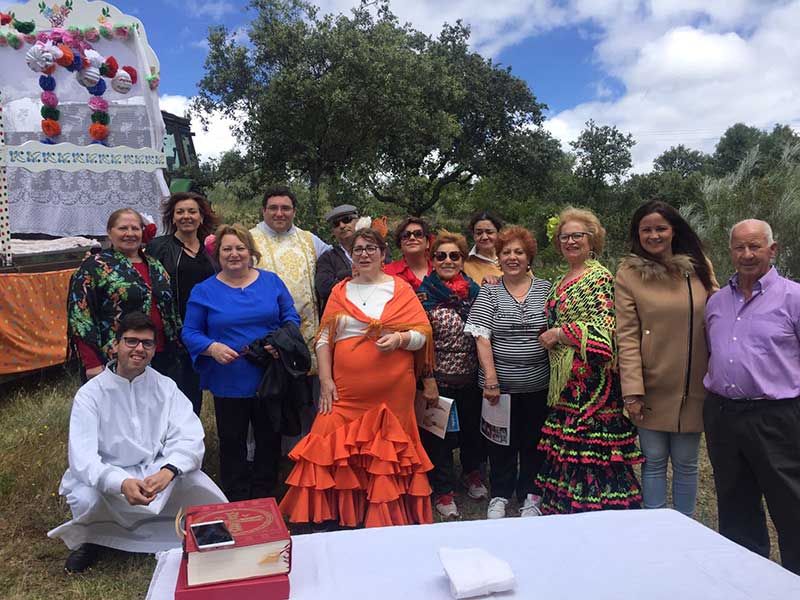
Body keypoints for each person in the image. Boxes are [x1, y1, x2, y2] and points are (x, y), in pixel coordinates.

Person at [279, 228, 435, 529]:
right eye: (358, 249)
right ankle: (337, 515)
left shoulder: (400, 289)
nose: (364, 253)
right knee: (327, 440)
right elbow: (324, 339)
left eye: (370, 248)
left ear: (383, 253)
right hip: (346, 393)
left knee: (388, 452)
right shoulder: (340, 291)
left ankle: (388, 512)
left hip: (393, 391)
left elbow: (422, 335)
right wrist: (325, 381)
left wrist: (400, 339)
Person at [48, 312, 227, 573]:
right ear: (116, 345)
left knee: (199, 486)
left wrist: (169, 470)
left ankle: (190, 533)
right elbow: (83, 458)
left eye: (147, 343)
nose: (139, 349)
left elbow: (189, 435)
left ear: (154, 349)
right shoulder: (90, 395)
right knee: (86, 497)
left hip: (155, 470)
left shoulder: (165, 387)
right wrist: (119, 483)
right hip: (109, 473)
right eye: (131, 341)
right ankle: (91, 542)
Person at [703, 219, 800, 575]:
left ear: (772, 250)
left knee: (791, 505)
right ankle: (746, 583)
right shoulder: (716, 301)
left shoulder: (794, 297)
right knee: (735, 506)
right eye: (739, 247)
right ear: (730, 251)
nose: (746, 255)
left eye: (755, 246)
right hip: (723, 416)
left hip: (776, 417)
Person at [182, 224, 301, 502]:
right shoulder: (204, 291)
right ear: (217, 254)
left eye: (240, 248)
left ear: (250, 252)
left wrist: (280, 342)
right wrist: (212, 348)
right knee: (232, 440)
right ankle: (235, 494)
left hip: (268, 375)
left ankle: (264, 493)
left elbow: (291, 318)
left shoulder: (272, 282)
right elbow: (190, 332)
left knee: (269, 438)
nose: (234, 254)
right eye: (227, 249)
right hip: (229, 378)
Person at [536, 207, 643, 514]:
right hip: (567, 381)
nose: (570, 241)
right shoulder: (561, 279)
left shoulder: (599, 278)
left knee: (591, 450)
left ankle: (596, 514)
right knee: (569, 449)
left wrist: (559, 333)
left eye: (577, 236)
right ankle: (566, 510)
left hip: (593, 384)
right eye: (565, 236)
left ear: (592, 239)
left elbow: (606, 332)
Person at [615, 201, 718, 517]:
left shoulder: (700, 267)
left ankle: (686, 527)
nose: (654, 235)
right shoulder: (629, 274)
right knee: (654, 461)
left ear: (674, 230)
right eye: (646, 229)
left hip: (694, 384)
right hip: (651, 384)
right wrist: (632, 389)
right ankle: (655, 528)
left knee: (687, 463)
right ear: (638, 234)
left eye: (660, 228)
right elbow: (627, 336)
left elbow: (718, 316)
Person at [464, 226, 551, 519]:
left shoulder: (547, 289)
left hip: (539, 385)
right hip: (498, 386)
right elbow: (481, 334)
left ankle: (530, 495)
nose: (512, 257)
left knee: (533, 442)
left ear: (529, 257)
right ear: (498, 257)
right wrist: (491, 378)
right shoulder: (489, 290)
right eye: (506, 252)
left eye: (519, 252)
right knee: (499, 442)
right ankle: (500, 494)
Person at [417, 230, 487, 519]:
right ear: (432, 260)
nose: (448, 260)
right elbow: (420, 341)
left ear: (462, 260)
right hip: (440, 379)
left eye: (454, 255)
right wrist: (427, 379)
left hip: (472, 377)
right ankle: (443, 490)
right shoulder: (423, 294)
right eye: (441, 255)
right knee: (440, 438)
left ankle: (472, 474)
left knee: (473, 433)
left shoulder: (475, 292)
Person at [67, 208, 181, 380]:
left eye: (135, 228)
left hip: (160, 354)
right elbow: (80, 316)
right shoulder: (94, 266)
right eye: (123, 228)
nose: (130, 233)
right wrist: (92, 363)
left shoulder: (155, 265)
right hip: (115, 359)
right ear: (109, 232)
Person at [147, 192, 220, 415]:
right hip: (172, 334)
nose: (186, 216)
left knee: (195, 391)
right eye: (180, 212)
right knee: (171, 393)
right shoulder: (158, 247)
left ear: (201, 216)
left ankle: (191, 442)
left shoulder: (212, 249)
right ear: (172, 217)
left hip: (206, 330)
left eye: (192, 211)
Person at [249, 186, 331, 375]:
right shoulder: (248, 239)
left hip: (307, 334)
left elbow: (336, 259)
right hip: (266, 334)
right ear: (263, 211)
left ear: (294, 211)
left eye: (285, 208)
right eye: (273, 208)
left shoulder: (309, 239)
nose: (279, 213)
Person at [315, 204, 359, 311]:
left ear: (358, 222)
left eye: (346, 220)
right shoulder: (327, 258)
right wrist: (354, 275)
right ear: (333, 231)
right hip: (341, 317)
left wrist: (340, 277)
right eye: (336, 224)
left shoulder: (377, 250)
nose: (342, 225)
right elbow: (324, 288)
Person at [384, 216, 433, 291]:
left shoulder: (441, 269)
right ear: (400, 245)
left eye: (418, 234)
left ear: (427, 243)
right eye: (405, 235)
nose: (412, 238)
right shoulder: (387, 272)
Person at [463, 211, 503, 284]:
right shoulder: (465, 265)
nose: (484, 237)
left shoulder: (511, 259)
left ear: (498, 233)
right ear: (473, 235)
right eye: (479, 233)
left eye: (489, 232)